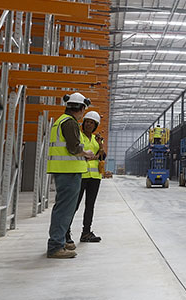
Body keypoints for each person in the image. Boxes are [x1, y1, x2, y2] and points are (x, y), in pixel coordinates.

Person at [46, 92, 94, 259]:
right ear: (81, 108)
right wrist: (86, 153)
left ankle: (59, 241)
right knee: (65, 209)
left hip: (63, 170)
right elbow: (73, 148)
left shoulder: (60, 121)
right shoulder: (70, 123)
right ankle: (55, 246)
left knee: (62, 208)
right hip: (68, 171)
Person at [65, 111, 106, 246]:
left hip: (95, 177)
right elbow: (74, 151)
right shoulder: (79, 136)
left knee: (90, 205)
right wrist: (86, 155)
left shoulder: (97, 139)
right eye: (87, 121)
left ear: (95, 125)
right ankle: (66, 232)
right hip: (81, 175)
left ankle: (86, 233)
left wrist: (100, 146)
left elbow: (102, 156)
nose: (88, 124)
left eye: (92, 123)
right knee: (74, 205)